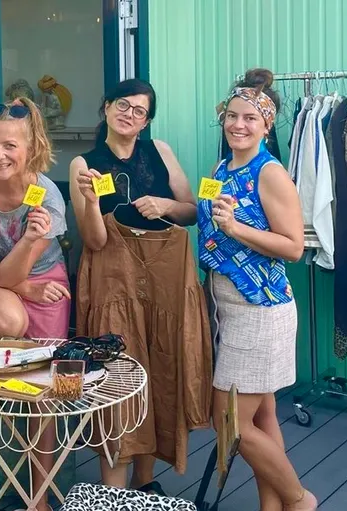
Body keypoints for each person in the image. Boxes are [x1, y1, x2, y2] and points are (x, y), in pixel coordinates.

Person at [70, 79, 213, 492]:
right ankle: (112, 493)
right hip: (113, 282)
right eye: (123, 105)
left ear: (147, 120)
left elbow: (190, 212)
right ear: (106, 107)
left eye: (139, 111)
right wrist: (93, 205)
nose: (129, 115)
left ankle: (145, 486)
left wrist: (168, 205)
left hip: (165, 279)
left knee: (160, 368)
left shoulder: (160, 151)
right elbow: (94, 241)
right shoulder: (85, 164)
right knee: (119, 376)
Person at [198, 69, 316, 510]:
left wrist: (237, 228)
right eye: (232, 116)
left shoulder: (271, 173)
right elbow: (207, 214)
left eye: (250, 118)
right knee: (263, 416)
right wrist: (174, 207)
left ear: (266, 126)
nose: (238, 125)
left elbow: (293, 247)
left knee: (229, 423)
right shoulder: (220, 167)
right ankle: (274, 506)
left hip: (260, 308)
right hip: (228, 307)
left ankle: (299, 499)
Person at [0, 97, 69, 511]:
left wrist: (27, 244)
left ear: (31, 146)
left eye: (9, 146)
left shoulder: (48, 198)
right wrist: (25, 290)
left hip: (43, 277)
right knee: (7, 321)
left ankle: (39, 494)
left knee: (46, 388)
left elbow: (15, 271)